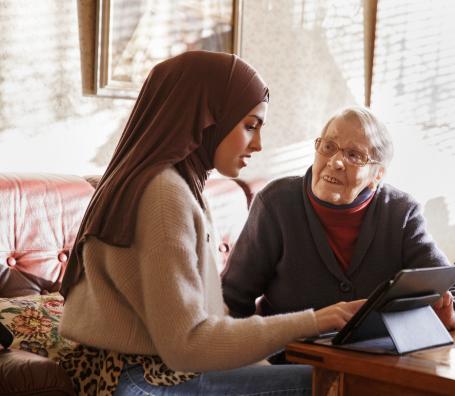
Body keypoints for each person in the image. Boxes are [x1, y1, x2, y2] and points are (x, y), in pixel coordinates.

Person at [58, 51, 364, 396]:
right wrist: (316, 321)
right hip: (144, 380)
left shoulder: (174, 184)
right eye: (250, 125)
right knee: (340, 385)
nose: (259, 144)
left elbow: (200, 331)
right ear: (206, 116)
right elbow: (187, 345)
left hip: (142, 374)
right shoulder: (163, 195)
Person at [222, 105, 455, 343]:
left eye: (354, 155)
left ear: (377, 175)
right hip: (291, 358)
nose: (336, 161)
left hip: (374, 362)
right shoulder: (277, 203)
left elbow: (454, 286)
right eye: (328, 146)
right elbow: (232, 298)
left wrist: (454, 316)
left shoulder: (400, 213)